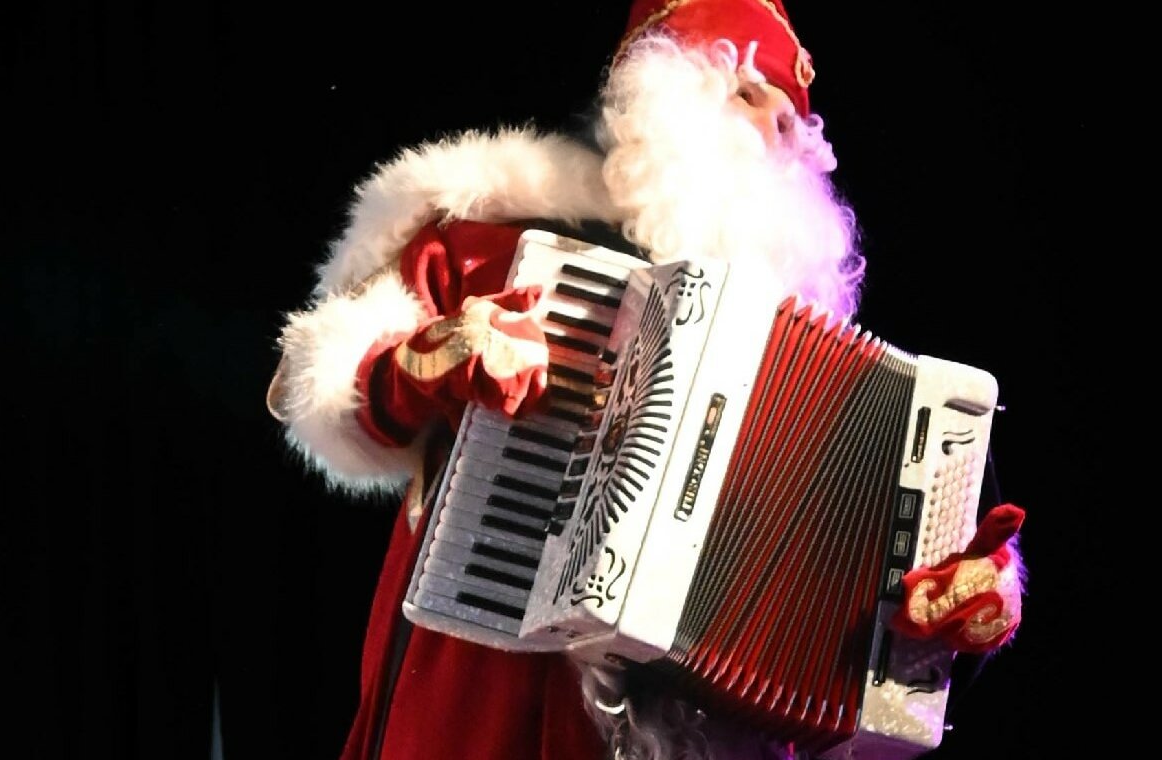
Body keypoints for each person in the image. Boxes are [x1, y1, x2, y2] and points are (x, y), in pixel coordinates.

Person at [267, 1, 1027, 758]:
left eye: (795, 125)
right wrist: (428, 362)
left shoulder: (830, 381)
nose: (777, 135)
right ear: (661, 95)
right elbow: (323, 392)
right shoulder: (497, 243)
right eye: (748, 94)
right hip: (495, 699)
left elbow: (874, 610)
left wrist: (958, 600)